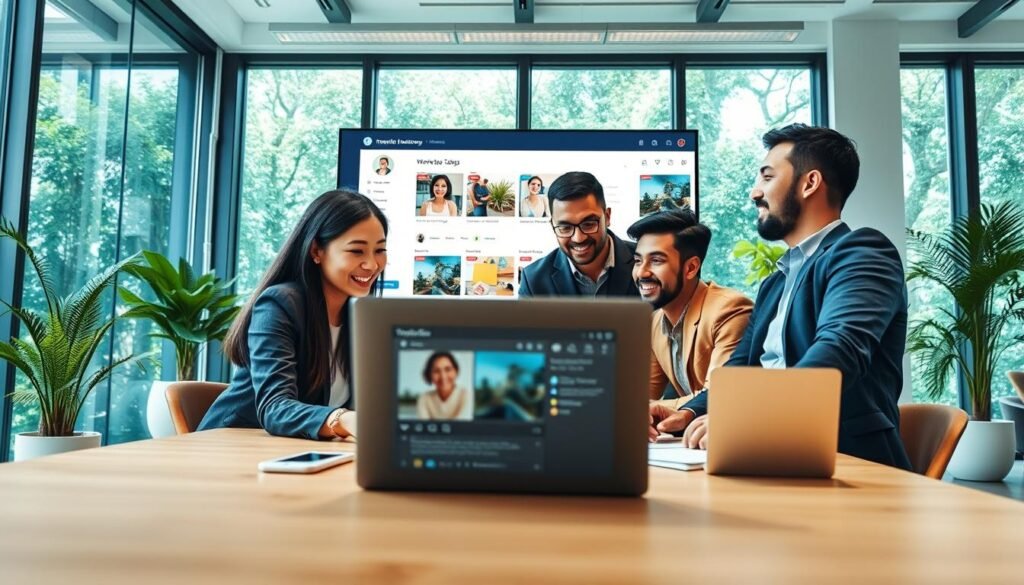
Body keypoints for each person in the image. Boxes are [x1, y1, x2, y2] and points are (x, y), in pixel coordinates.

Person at [650, 124, 912, 470]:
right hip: (771, 456)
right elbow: (737, 374)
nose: (754, 193)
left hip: (847, 462)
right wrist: (685, 413)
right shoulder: (775, 284)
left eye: (767, 177)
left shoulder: (862, 252)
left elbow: (838, 351)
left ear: (809, 183)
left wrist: (748, 420)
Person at [198, 189, 388, 440]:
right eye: (356, 251)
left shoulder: (362, 315)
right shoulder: (280, 304)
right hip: (231, 447)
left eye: (380, 250)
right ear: (316, 251)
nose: (372, 265)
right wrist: (343, 419)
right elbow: (275, 408)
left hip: (296, 452)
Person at [626, 208, 752, 424]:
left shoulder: (730, 310)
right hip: (693, 437)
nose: (642, 273)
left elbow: (719, 393)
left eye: (656, 261)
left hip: (735, 431)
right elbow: (642, 397)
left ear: (691, 267)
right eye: (638, 261)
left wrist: (647, 408)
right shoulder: (655, 321)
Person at [519, 171, 639, 297]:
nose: (578, 238)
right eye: (565, 227)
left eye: (588, 224)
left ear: (607, 217)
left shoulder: (651, 264)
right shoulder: (533, 281)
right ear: (552, 226)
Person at [416, 352, 473, 420]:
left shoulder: (466, 395)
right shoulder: (424, 398)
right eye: (436, 371)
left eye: (448, 369)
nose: (443, 377)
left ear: (456, 371)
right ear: (429, 375)